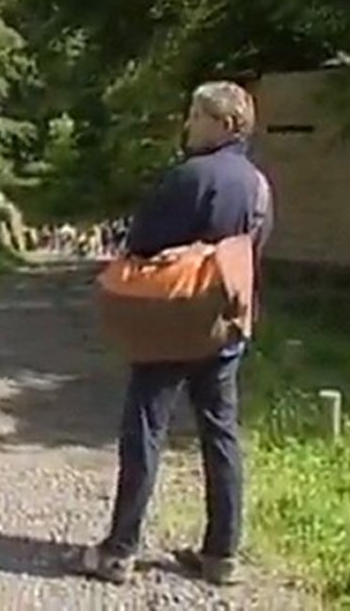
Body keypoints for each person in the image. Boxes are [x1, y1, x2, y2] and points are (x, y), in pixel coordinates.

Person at [81, 80, 273, 586]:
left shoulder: (189, 177)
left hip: (171, 318)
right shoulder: (257, 184)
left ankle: (120, 550)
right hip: (224, 321)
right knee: (220, 432)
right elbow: (255, 248)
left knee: (145, 427)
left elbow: (141, 240)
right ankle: (221, 554)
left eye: (196, 115)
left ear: (224, 123)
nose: (188, 124)